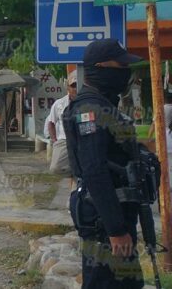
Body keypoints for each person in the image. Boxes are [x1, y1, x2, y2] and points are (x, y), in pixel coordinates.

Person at [63, 39, 145, 288]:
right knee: (105, 283)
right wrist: (115, 229)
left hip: (114, 212)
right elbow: (94, 170)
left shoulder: (104, 105)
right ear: (100, 68)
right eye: (120, 66)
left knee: (127, 283)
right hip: (103, 220)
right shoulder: (89, 110)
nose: (125, 71)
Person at [45, 70, 78, 175]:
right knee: (55, 169)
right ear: (68, 87)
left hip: (83, 139)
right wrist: (55, 140)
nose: (76, 89)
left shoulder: (88, 102)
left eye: (78, 85)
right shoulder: (59, 104)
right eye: (73, 86)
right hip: (64, 140)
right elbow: (51, 123)